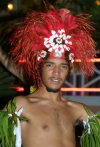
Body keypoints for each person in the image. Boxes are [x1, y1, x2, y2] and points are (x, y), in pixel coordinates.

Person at [0, 8, 100, 147]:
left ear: (69, 69)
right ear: (40, 67)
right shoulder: (21, 105)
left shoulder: (77, 109)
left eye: (63, 66)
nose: (56, 72)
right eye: (50, 65)